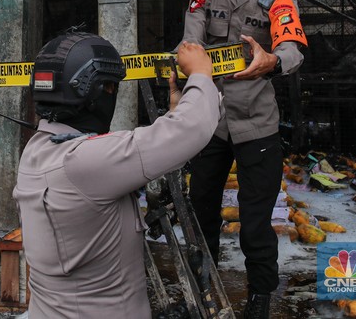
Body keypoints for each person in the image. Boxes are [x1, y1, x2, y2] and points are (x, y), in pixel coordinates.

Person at [13, 31, 221, 319]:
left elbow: (134, 153)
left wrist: (174, 113)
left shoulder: (37, 151)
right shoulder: (83, 163)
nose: (112, 96)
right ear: (90, 92)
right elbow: (191, 130)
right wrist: (200, 74)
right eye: (110, 89)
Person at [182, 0, 308, 318]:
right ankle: (204, 285)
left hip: (258, 125)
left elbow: (292, 48)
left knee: (256, 223)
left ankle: (259, 299)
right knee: (201, 210)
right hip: (210, 123)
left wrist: (273, 60)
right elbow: (191, 44)